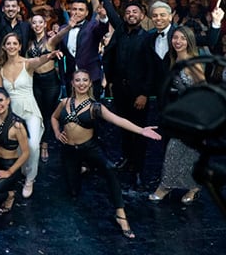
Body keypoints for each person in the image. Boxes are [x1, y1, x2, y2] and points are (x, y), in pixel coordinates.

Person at [50, 70, 161, 239]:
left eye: (84, 80)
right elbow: (54, 117)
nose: (81, 83)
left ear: (89, 84)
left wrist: (141, 130)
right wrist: (57, 133)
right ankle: (82, 169)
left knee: (110, 170)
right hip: (69, 152)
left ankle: (121, 215)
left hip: (89, 148)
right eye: (77, 80)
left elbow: (118, 120)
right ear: (72, 83)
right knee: (73, 191)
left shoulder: (96, 107)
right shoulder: (64, 102)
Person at [91, 0, 155, 178]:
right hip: (120, 90)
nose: (130, 15)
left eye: (134, 12)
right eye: (127, 12)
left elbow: (150, 68)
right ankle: (128, 159)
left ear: (142, 15)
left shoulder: (147, 38)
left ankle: (138, 167)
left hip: (138, 93)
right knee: (125, 129)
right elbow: (109, 7)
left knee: (139, 130)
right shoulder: (119, 30)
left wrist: (144, 93)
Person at [0, 32, 63, 199]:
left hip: (30, 110)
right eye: (8, 43)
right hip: (12, 113)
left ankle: (30, 179)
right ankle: (23, 169)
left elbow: (40, 60)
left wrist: (51, 55)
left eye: (14, 44)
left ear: (19, 46)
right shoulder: (1, 70)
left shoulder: (27, 64)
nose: (11, 46)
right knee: (18, 145)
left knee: (32, 145)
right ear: (4, 47)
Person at [149, 26, 206, 204]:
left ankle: (165, 187)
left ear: (189, 41)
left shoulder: (192, 62)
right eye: (175, 38)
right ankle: (194, 186)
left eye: (182, 38)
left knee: (175, 149)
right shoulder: (174, 59)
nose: (178, 41)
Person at [26, 13, 73, 163]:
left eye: (40, 22)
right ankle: (34, 143)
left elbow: (59, 35)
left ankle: (44, 145)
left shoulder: (50, 40)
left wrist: (70, 25)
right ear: (31, 25)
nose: (37, 25)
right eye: (35, 23)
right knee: (36, 113)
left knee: (47, 113)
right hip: (35, 81)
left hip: (50, 81)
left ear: (44, 23)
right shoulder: (28, 42)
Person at [58, 0, 109, 98]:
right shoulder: (63, 28)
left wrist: (103, 18)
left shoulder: (93, 25)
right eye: (74, 9)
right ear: (70, 10)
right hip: (71, 78)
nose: (77, 12)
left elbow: (102, 29)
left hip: (91, 77)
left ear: (86, 13)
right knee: (73, 110)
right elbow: (61, 50)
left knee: (92, 110)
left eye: (81, 10)